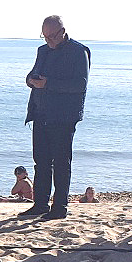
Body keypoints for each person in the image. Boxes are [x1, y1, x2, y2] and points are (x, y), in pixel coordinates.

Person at [21, 16, 89, 221]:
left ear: (63, 31)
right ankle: (40, 204)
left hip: (63, 116)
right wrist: (31, 80)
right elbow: (32, 74)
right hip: (40, 112)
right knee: (40, 162)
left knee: (61, 163)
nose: (48, 40)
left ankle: (60, 207)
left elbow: (80, 85)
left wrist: (48, 84)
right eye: (45, 36)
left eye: (51, 36)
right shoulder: (43, 51)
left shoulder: (79, 52)